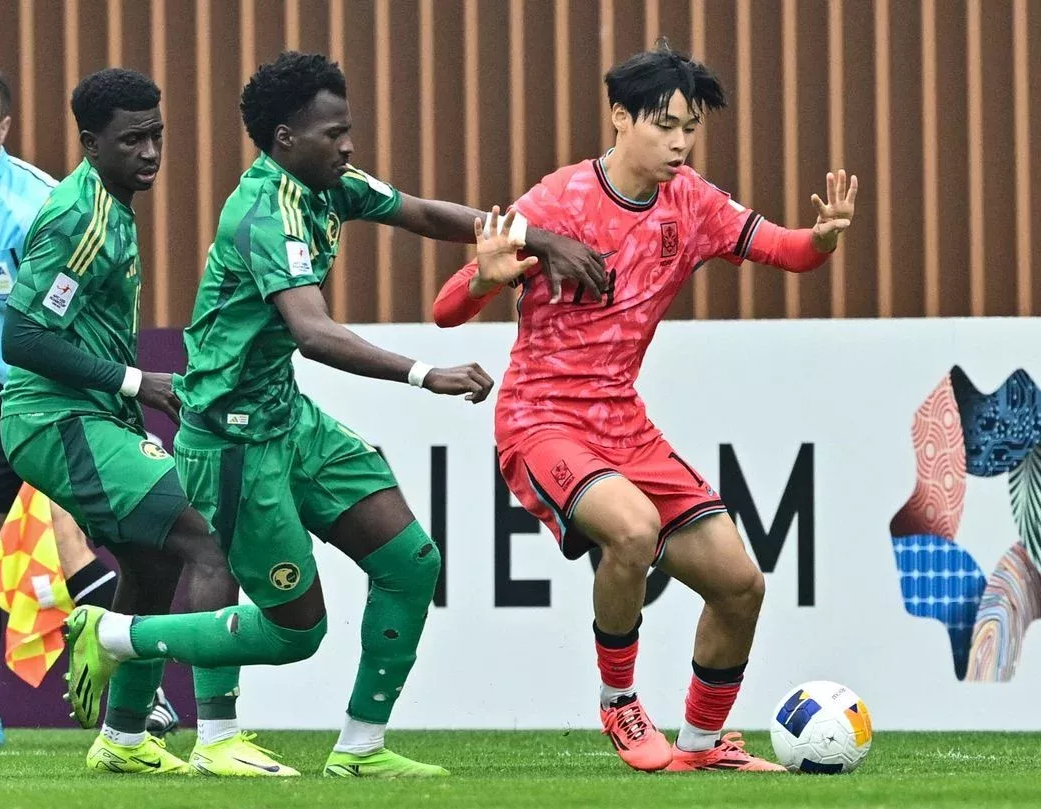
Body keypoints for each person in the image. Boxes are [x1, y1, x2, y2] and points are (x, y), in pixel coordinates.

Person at [61, 50, 607, 779]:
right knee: (295, 632)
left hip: (288, 420)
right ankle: (127, 640)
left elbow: (420, 212)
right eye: (333, 133)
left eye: (348, 129)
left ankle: (359, 748)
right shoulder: (264, 210)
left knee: (411, 563)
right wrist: (424, 372)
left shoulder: (329, 182)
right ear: (285, 139)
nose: (348, 145)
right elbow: (313, 332)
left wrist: (531, 234)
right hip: (230, 441)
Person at [432, 40, 858, 773]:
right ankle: (619, 698)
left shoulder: (690, 200)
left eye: (689, 127)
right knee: (630, 530)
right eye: (664, 125)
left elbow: (783, 250)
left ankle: (700, 744)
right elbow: (445, 309)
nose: (679, 142)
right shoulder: (556, 201)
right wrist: (483, 278)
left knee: (740, 584)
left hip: (623, 423)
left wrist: (820, 240)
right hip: (541, 420)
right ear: (619, 117)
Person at [0, 61, 177, 748]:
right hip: (10, 399)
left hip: (72, 400)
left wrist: (125, 386)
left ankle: (149, 700)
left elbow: (77, 311)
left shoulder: (38, 207)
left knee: (81, 539)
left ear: (5, 128)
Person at [0, 67, 243, 775]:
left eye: (157, 135)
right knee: (206, 536)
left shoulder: (113, 204)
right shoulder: (80, 215)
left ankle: (124, 738)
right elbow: (24, 338)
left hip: (89, 414)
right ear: (89, 142)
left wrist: (131, 398)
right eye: (131, 139)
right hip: (53, 420)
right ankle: (218, 736)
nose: (150, 152)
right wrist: (141, 381)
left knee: (156, 558)